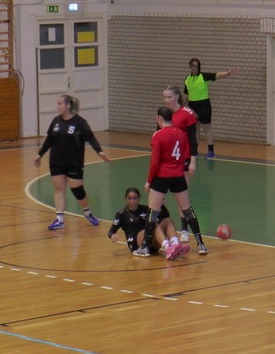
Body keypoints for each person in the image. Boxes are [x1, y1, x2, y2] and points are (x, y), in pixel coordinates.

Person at [34, 94, 110, 230]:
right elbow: (49, 139)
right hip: (56, 161)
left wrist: (99, 151)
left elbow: (90, 138)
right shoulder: (56, 121)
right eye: (57, 104)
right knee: (59, 189)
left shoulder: (79, 122)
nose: (57, 107)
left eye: (60, 104)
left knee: (77, 191)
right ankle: (59, 219)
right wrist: (40, 154)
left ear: (68, 105)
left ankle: (88, 213)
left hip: (73, 162)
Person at [141, 106, 209, 257]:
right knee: (187, 210)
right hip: (178, 175)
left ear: (159, 118)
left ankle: (145, 247)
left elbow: (154, 161)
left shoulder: (158, 135)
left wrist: (149, 181)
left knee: (152, 211)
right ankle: (201, 244)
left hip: (162, 176)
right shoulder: (180, 133)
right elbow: (184, 153)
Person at [107, 187, 188, 260]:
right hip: (136, 243)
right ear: (126, 199)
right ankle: (168, 248)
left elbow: (165, 216)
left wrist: (162, 205)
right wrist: (112, 235)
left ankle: (176, 246)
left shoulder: (145, 209)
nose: (132, 201)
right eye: (130, 198)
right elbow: (111, 231)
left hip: (152, 243)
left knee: (168, 221)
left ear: (139, 198)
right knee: (152, 225)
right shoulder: (121, 214)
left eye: (135, 198)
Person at [163, 85, 199, 241]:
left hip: (183, 160)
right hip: (167, 162)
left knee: (181, 196)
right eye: (165, 97)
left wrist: (193, 161)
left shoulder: (187, 114)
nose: (167, 100)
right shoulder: (163, 114)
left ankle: (184, 230)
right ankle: (160, 227)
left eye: (169, 97)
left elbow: (193, 139)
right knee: (160, 197)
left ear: (177, 96)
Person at [184, 58, 238, 159]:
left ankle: (211, 151)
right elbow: (186, 94)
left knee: (207, 128)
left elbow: (216, 75)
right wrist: (183, 106)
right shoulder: (187, 79)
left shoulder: (203, 76)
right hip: (192, 106)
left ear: (198, 67)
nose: (194, 68)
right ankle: (194, 151)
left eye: (196, 66)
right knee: (196, 129)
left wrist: (228, 73)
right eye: (192, 66)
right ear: (190, 67)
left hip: (204, 106)